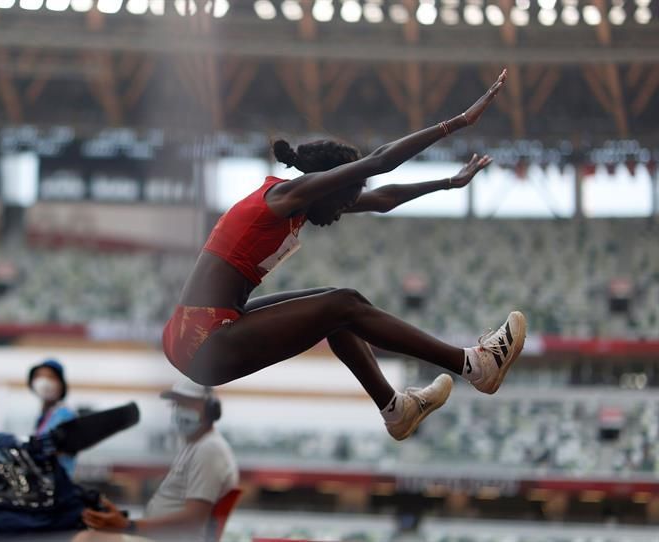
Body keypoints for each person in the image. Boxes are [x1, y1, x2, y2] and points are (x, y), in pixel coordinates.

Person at [162, 69, 527, 441]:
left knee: (337, 312)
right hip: (203, 340)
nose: (341, 213)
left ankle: (396, 410)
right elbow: (380, 161)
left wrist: (449, 182)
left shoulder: (300, 204)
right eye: (344, 202)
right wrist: (458, 123)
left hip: (212, 327)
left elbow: (383, 199)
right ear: (327, 185)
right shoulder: (284, 197)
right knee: (344, 304)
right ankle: (474, 365)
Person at [80, 380, 239, 542]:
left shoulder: (209, 449)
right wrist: (123, 521)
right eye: (177, 404)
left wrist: (129, 526)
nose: (181, 411)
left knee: (87, 539)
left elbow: (194, 519)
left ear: (211, 409)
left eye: (189, 404)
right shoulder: (196, 446)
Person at [29, 359, 78, 476]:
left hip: (58, 484)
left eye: (50, 377)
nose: (44, 381)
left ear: (61, 383)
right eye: (39, 376)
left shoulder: (65, 415)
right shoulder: (45, 416)